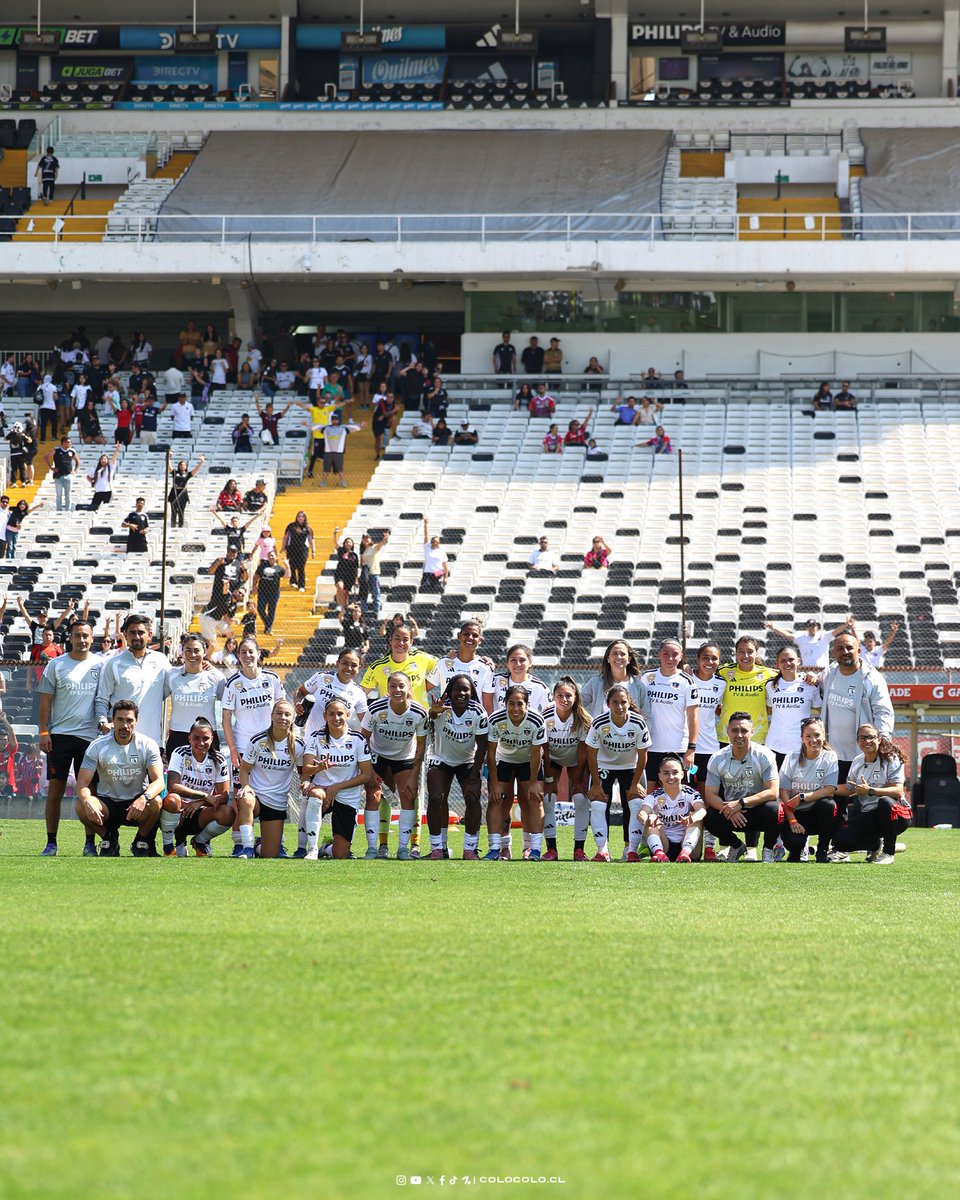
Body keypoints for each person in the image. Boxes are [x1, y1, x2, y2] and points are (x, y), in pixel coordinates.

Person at [37, 618, 102, 857]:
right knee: (55, 790)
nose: (82, 640)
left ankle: (89, 843)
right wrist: (44, 732)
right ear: (70, 638)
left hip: (90, 738)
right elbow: (45, 700)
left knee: (89, 791)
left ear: (91, 638)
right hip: (60, 737)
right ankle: (51, 842)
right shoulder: (56, 665)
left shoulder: (101, 664)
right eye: (77, 635)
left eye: (86, 635)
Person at [74, 700, 164, 857]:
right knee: (81, 806)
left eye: (129, 720)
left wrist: (144, 798)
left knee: (156, 802)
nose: (124, 725)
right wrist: (88, 801)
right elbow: (82, 784)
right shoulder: (97, 746)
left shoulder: (148, 744)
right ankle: (109, 839)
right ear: (113, 721)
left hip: (137, 804)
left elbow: (159, 781)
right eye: (120, 720)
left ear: (136, 721)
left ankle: (140, 841)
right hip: (108, 805)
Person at [361, 672, 428, 860]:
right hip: (377, 755)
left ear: (409, 688)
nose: (397, 690)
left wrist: (414, 775)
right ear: (387, 689)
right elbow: (363, 738)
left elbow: (421, 744)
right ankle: (374, 849)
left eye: (401, 686)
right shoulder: (375, 708)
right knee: (373, 797)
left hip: (404, 757)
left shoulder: (418, 712)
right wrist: (370, 769)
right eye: (393, 686)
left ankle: (403, 849)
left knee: (408, 796)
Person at [300, 698, 375, 860]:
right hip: (322, 790)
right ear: (325, 716)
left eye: (340, 714)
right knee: (315, 795)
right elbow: (306, 769)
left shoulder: (357, 739)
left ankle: (326, 848)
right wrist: (319, 768)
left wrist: (338, 787)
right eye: (331, 714)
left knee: (340, 854)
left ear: (347, 715)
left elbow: (366, 775)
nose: (336, 718)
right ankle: (311, 850)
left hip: (347, 795)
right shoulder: (315, 737)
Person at [585, 684, 651, 862]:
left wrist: (635, 783)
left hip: (630, 767)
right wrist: (597, 784)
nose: (619, 706)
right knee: (598, 805)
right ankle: (602, 850)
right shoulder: (599, 723)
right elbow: (591, 754)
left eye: (623, 702)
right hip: (604, 766)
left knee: (635, 803)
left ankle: (630, 850)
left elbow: (643, 755)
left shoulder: (638, 722)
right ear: (608, 703)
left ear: (629, 702)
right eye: (615, 702)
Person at [818, 633, 895, 785]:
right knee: (835, 802)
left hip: (863, 755)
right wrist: (810, 676)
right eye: (840, 648)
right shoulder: (828, 673)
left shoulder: (872, 678)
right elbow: (814, 682)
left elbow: (883, 712)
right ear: (834, 653)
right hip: (833, 756)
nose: (845, 652)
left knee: (864, 802)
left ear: (859, 651)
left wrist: (884, 740)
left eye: (849, 648)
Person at [703, 713, 781, 862]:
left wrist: (741, 803)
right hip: (731, 813)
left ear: (752, 732)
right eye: (735, 730)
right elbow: (710, 794)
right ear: (727, 732)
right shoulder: (717, 758)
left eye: (744, 731)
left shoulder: (765, 755)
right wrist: (729, 810)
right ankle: (737, 845)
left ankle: (768, 850)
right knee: (708, 815)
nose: (739, 735)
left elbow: (773, 791)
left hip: (757, 810)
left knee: (775, 810)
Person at [426, 675, 489, 860]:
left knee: (472, 797)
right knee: (436, 798)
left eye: (465, 690)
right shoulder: (441, 708)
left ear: (471, 692)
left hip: (467, 760)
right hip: (440, 759)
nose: (461, 693)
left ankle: (470, 849)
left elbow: (483, 745)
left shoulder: (478, 712)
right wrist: (433, 712)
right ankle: (437, 848)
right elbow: (432, 715)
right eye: (457, 689)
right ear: (450, 692)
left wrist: (476, 772)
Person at [234, 700, 304, 858]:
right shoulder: (257, 740)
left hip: (277, 803)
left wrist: (306, 782)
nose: (283, 717)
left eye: (287, 714)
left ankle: (259, 845)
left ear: (293, 718)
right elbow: (244, 769)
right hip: (256, 798)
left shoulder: (298, 745)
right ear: (272, 715)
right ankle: (247, 849)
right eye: (279, 713)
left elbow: (303, 772)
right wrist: (246, 786)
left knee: (269, 854)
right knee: (246, 800)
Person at [832, 724, 910, 865]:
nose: (866, 741)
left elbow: (898, 790)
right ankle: (874, 845)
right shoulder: (857, 761)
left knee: (885, 802)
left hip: (897, 815)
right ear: (857, 741)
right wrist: (825, 788)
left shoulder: (891, 758)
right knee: (840, 841)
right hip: (870, 815)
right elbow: (849, 788)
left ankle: (888, 853)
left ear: (879, 739)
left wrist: (870, 791)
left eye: (871, 737)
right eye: (862, 738)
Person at [486, 684, 547, 860]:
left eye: (520, 704)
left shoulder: (536, 720)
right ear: (505, 704)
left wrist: (534, 782)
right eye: (511, 703)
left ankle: (534, 849)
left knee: (534, 800)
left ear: (527, 705)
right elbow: (490, 753)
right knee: (497, 801)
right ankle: (496, 848)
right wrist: (495, 784)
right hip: (503, 760)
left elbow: (536, 753)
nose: (515, 708)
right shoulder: (496, 719)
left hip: (528, 760)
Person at [161, 717, 233, 857]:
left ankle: (200, 841)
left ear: (212, 739)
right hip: (178, 810)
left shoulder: (218, 759)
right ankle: (169, 846)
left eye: (205, 738)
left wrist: (199, 802)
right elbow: (172, 786)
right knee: (172, 800)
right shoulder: (180, 753)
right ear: (189, 738)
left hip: (201, 811)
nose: (201, 743)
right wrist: (203, 795)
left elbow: (224, 796)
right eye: (196, 738)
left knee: (228, 813)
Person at [95, 613, 169, 748]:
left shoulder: (162, 661)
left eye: (141, 632)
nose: (136, 637)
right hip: (120, 741)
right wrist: (103, 724)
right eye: (132, 632)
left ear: (150, 635)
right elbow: (102, 699)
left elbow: (172, 687)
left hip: (152, 741)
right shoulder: (113, 664)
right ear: (125, 634)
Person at [541, 677, 591, 861]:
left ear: (576, 697)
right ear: (553, 697)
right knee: (548, 798)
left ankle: (579, 849)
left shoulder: (584, 719)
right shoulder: (545, 717)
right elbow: (544, 749)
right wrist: (547, 777)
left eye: (568, 695)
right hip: (551, 759)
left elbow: (583, 750)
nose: (564, 699)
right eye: (559, 695)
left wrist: (577, 778)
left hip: (576, 760)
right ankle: (551, 849)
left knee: (580, 798)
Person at [778, 717, 839, 863]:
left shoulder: (830, 757)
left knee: (828, 804)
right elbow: (783, 792)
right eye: (808, 736)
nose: (813, 740)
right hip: (795, 814)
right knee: (794, 843)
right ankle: (795, 851)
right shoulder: (791, 757)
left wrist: (802, 797)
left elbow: (829, 790)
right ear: (802, 739)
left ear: (823, 736)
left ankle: (822, 850)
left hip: (816, 815)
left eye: (817, 735)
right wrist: (792, 820)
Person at [642, 638, 699, 780]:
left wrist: (691, 748)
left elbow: (693, 716)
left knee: (679, 790)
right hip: (650, 745)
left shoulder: (687, 681)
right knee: (650, 792)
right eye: (666, 653)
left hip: (678, 747)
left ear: (681, 656)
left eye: (674, 654)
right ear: (659, 654)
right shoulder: (647, 677)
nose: (670, 658)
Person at [162, 633, 224, 758]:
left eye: (197, 650)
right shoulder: (171, 675)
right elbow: (156, 699)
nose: (192, 655)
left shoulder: (216, 677)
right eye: (188, 650)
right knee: (177, 777)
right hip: (178, 735)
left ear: (205, 652)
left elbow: (229, 706)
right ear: (182, 652)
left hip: (206, 737)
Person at [691, 641, 726, 862]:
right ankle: (681, 845)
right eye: (706, 657)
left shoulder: (722, 684)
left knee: (708, 799)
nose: (709, 662)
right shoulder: (686, 678)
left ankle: (710, 847)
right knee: (682, 798)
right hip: (684, 747)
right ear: (697, 659)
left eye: (714, 658)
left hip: (710, 749)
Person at [640, 754, 706, 862]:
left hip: (690, 848)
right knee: (651, 818)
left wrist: (692, 818)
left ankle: (684, 853)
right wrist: (647, 820)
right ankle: (659, 854)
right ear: (660, 776)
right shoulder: (654, 795)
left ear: (682, 774)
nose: (671, 777)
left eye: (675, 772)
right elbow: (642, 813)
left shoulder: (690, 792)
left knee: (696, 818)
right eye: (666, 773)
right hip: (663, 844)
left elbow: (702, 810)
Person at [295, 648, 369, 741]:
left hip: (339, 748)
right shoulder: (322, 677)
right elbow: (300, 692)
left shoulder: (359, 693)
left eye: (354, 665)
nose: (349, 668)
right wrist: (297, 703)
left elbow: (366, 724)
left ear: (360, 668)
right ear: (337, 663)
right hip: (311, 742)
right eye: (345, 663)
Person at [764, 643, 820, 764]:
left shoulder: (810, 685)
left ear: (798, 661)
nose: (787, 663)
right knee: (775, 783)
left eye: (791, 659)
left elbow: (820, 711)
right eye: (783, 660)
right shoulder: (770, 686)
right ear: (777, 664)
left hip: (801, 747)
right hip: (774, 746)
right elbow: (769, 709)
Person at [427, 619, 496, 716]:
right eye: (466, 634)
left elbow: (488, 706)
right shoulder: (443, 663)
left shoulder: (485, 668)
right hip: (446, 723)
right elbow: (424, 688)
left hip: (473, 724)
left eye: (475, 635)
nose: (470, 638)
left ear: (480, 640)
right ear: (459, 636)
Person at [581, 639, 650, 719]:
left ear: (629, 659)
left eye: (623, 654)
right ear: (608, 658)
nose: (619, 657)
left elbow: (647, 716)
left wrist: (642, 731)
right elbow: (578, 704)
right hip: (601, 731)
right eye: (615, 654)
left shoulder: (638, 686)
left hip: (629, 731)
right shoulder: (595, 683)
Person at [764, 616, 855, 670]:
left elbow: (836, 631)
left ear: (817, 627)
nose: (811, 628)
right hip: (807, 670)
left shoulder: (824, 636)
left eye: (813, 626)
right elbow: (788, 635)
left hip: (823, 669)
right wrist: (774, 629)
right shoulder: (801, 638)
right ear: (806, 628)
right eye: (809, 626)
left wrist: (846, 625)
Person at [317, 412, 362, 488]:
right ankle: (323, 481)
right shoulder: (326, 428)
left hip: (338, 452)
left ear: (338, 420)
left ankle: (343, 482)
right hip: (328, 451)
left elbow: (353, 427)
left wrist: (360, 425)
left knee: (340, 469)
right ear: (331, 420)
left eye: (336, 420)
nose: (334, 421)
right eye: (333, 419)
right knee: (326, 469)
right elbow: (316, 427)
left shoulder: (343, 428)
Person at [252, 550, 287, 636]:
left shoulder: (279, 568)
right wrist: (254, 586)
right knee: (260, 609)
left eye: (273, 556)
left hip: (274, 593)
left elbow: (287, 576)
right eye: (269, 555)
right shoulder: (262, 566)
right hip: (262, 591)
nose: (271, 557)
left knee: (271, 610)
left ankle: (268, 628)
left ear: (276, 558)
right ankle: (268, 624)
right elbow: (256, 577)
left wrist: (287, 565)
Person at [166, 453, 205, 529]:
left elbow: (196, 470)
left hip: (183, 493)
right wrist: (169, 457)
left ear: (186, 466)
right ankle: (173, 527)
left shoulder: (188, 474)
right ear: (179, 466)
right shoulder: (175, 473)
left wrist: (201, 462)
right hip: (174, 492)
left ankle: (180, 527)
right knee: (173, 512)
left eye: (184, 465)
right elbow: (169, 466)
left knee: (181, 512)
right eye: (181, 465)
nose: (182, 466)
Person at [358, 528, 388, 618]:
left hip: (374, 573)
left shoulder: (374, 547)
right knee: (364, 594)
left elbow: (382, 543)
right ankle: (364, 611)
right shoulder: (362, 552)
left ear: (370, 539)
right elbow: (361, 564)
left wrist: (385, 538)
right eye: (364, 538)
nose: (366, 540)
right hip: (365, 575)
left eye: (367, 538)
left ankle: (376, 612)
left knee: (376, 594)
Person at [45, 435, 79, 513]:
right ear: (63, 443)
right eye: (68, 442)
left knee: (68, 494)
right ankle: (59, 510)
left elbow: (78, 461)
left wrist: (75, 470)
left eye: (70, 442)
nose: (70, 444)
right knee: (59, 495)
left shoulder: (72, 451)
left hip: (68, 475)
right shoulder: (56, 450)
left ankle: (68, 510)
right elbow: (45, 458)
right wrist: (51, 468)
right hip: (59, 475)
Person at [283, 510, 314, 593]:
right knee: (292, 565)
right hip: (291, 548)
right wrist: (283, 547)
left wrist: (313, 551)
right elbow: (286, 537)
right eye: (299, 516)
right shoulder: (291, 526)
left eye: (302, 516)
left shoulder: (308, 528)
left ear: (305, 518)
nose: (300, 518)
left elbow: (311, 540)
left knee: (301, 567)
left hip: (302, 550)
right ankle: (293, 581)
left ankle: (301, 585)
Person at [331, 531, 360, 610]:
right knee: (340, 587)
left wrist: (356, 579)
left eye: (350, 542)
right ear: (344, 544)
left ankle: (344, 607)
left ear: (352, 544)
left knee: (346, 593)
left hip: (350, 575)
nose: (348, 543)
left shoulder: (354, 555)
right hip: (340, 573)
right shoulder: (341, 551)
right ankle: (339, 604)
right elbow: (335, 543)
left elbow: (356, 568)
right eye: (347, 542)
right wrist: (335, 534)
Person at [421, 518, 448, 593]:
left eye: (436, 542)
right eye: (433, 542)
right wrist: (425, 525)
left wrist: (446, 577)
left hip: (437, 573)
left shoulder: (441, 552)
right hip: (427, 573)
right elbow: (426, 535)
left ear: (439, 543)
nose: (435, 543)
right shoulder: (427, 548)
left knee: (436, 590)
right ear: (431, 542)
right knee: (425, 590)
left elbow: (445, 567)